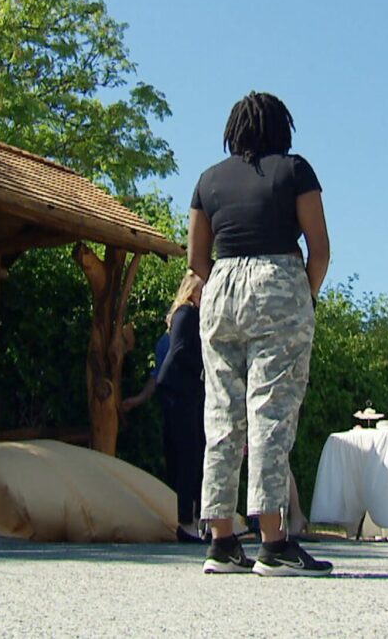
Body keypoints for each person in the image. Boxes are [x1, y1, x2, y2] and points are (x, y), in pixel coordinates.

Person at [191, 91, 331, 577]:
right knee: (269, 412)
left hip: (220, 286)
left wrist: (223, 288)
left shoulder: (208, 180)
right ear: (281, 128)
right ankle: (274, 542)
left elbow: (196, 259)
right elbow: (320, 250)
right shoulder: (294, 171)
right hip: (278, 284)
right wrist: (302, 298)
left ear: (235, 129)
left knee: (221, 414)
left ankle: (221, 541)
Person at [121, 272, 208, 543]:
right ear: (194, 289)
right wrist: (204, 369)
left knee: (191, 454)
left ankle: (191, 518)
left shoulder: (185, 316)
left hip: (179, 389)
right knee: (188, 455)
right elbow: (180, 352)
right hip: (181, 389)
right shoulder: (188, 313)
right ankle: (186, 521)